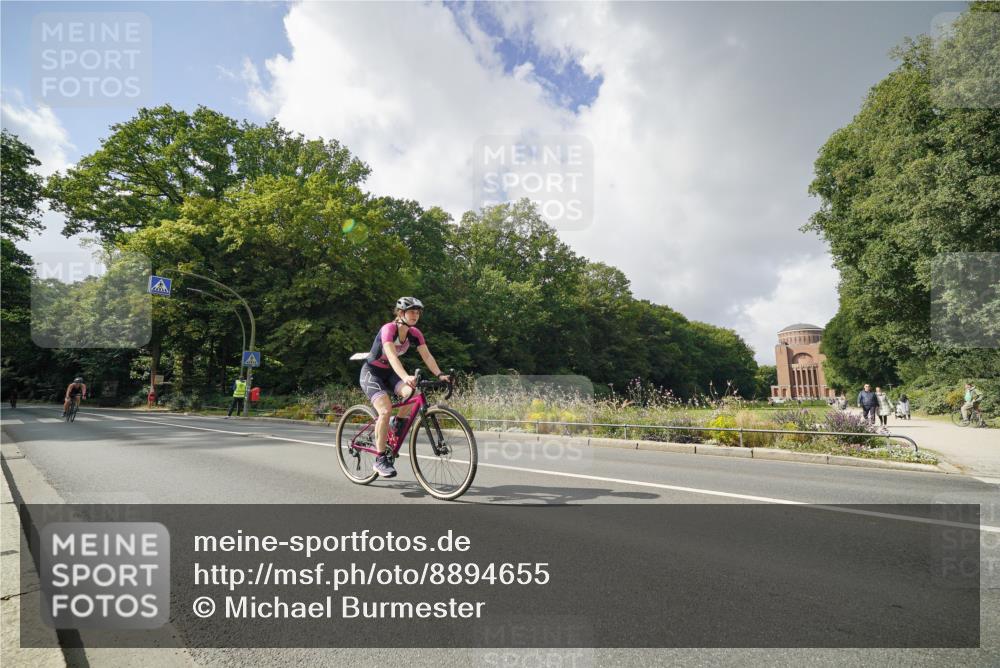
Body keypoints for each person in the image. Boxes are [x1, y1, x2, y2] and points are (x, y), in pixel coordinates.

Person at [360, 297, 450, 478]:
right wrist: (405, 377)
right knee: (384, 410)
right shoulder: (388, 329)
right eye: (412, 312)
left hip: (390, 374)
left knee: (414, 393)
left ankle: (397, 423)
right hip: (372, 373)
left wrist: (440, 374)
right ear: (401, 313)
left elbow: (427, 356)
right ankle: (379, 459)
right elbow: (392, 357)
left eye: (418, 312)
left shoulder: (415, 333)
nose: (415, 315)